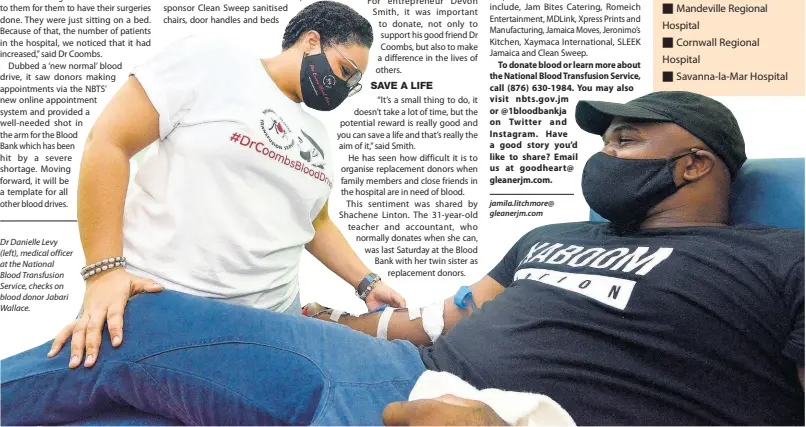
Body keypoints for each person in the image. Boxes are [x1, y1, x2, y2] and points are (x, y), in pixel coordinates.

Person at [2, 91, 803, 426]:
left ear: (695, 163)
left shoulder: (780, 261)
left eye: (627, 138)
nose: (608, 152)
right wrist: (347, 315)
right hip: (404, 371)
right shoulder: (551, 237)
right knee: (137, 338)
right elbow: (433, 319)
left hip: (518, 416)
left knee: (144, 350)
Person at [49, 1, 406, 371]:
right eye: (344, 70)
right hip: (162, 308)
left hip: (271, 330)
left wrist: (366, 283)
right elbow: (109, 141)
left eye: (353, 83)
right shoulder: (214, 60)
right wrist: (104, 272)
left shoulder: (318, 139)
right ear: (311, 41)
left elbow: (315, 222)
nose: (344, 87)